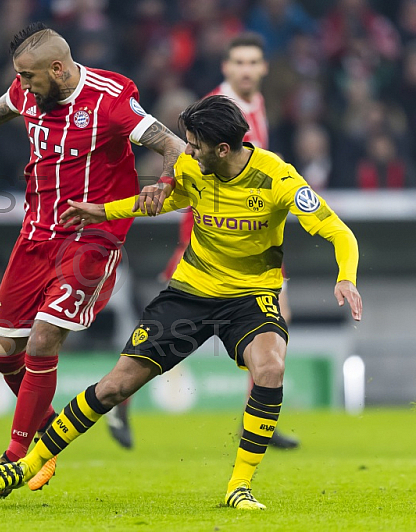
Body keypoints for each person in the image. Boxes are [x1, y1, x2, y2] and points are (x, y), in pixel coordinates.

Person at [0, 95, 362, 510]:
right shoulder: (194, 168)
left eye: (194, 144)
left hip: (249, 297)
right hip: (189, 295)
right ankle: (30, 462)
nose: (187, 151)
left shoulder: (278, 179)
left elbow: (339, 232)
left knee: (270, 367)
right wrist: (102, 212)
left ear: (223, 149)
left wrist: (346, 278)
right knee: (115, 386)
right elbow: (161, 202)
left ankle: (239, 486)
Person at [0, 22, 185, 496]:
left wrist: (163, 183)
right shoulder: (28, 92)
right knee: (0, 351)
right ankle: (50, 435)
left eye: (27, 77)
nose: (20, 86)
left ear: (57, 69)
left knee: (43, 340)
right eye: (18, 77)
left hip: (91, 237)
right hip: (35, 235)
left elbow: (172, 143)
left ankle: (16, 460)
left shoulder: (111, 96)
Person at [113, 32, 300, 451]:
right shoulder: (217, 110)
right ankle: (118, 403)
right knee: (165, 334)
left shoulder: (259, 106)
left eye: (254, 62)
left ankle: (259, 417)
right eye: (240, 63)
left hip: (251, 249)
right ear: (227, 68)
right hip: (204, 247)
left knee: (276, 329)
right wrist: (163, 183)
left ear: (264, 67)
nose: (248, 70)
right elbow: (180, 154)